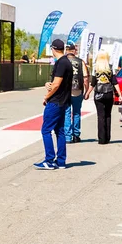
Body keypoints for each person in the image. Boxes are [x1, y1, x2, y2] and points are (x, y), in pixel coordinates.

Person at [34, 39, 72, 170]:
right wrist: (48, 85)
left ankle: (49, 160)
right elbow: (57, 83)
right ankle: (61, 161)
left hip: (55, 102)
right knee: (60, 131)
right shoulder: (67, 62)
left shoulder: (61, 63)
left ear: (53, 49)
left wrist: (46, 96)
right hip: (64, 101)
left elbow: (56, 85)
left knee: (46, 130)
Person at [85, 50, 121, 144]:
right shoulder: (110, 67)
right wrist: (120, 94)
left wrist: (87, 93)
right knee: (108, 115)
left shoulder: (96, 68)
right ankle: (107, 137)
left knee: (100, 116)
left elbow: (93, 83)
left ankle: (101, 139)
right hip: (109, 93)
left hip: (98, 94)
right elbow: (114, 82)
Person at [64, 41, 89, 144]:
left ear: (66, 50)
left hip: (65, 90)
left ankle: (68, 136)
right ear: (74, 51)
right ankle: (76, 135)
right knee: (77, 112)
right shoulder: (81, 62)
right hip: (77, 89)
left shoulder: (63, 61)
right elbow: (86, 78)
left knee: (67, 113)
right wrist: (86, 90)